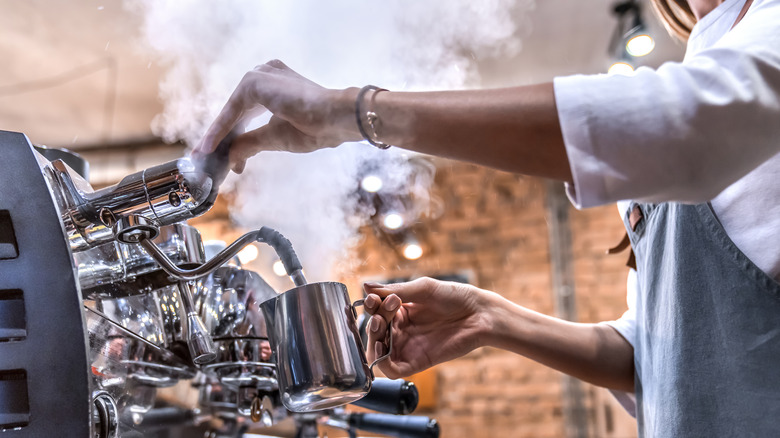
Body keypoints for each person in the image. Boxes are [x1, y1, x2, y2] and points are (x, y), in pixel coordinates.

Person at [194, 0, 780, 434]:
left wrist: (353, 112)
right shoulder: (715, 52)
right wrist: (488, 315)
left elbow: (684, 125)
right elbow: (655, 353)